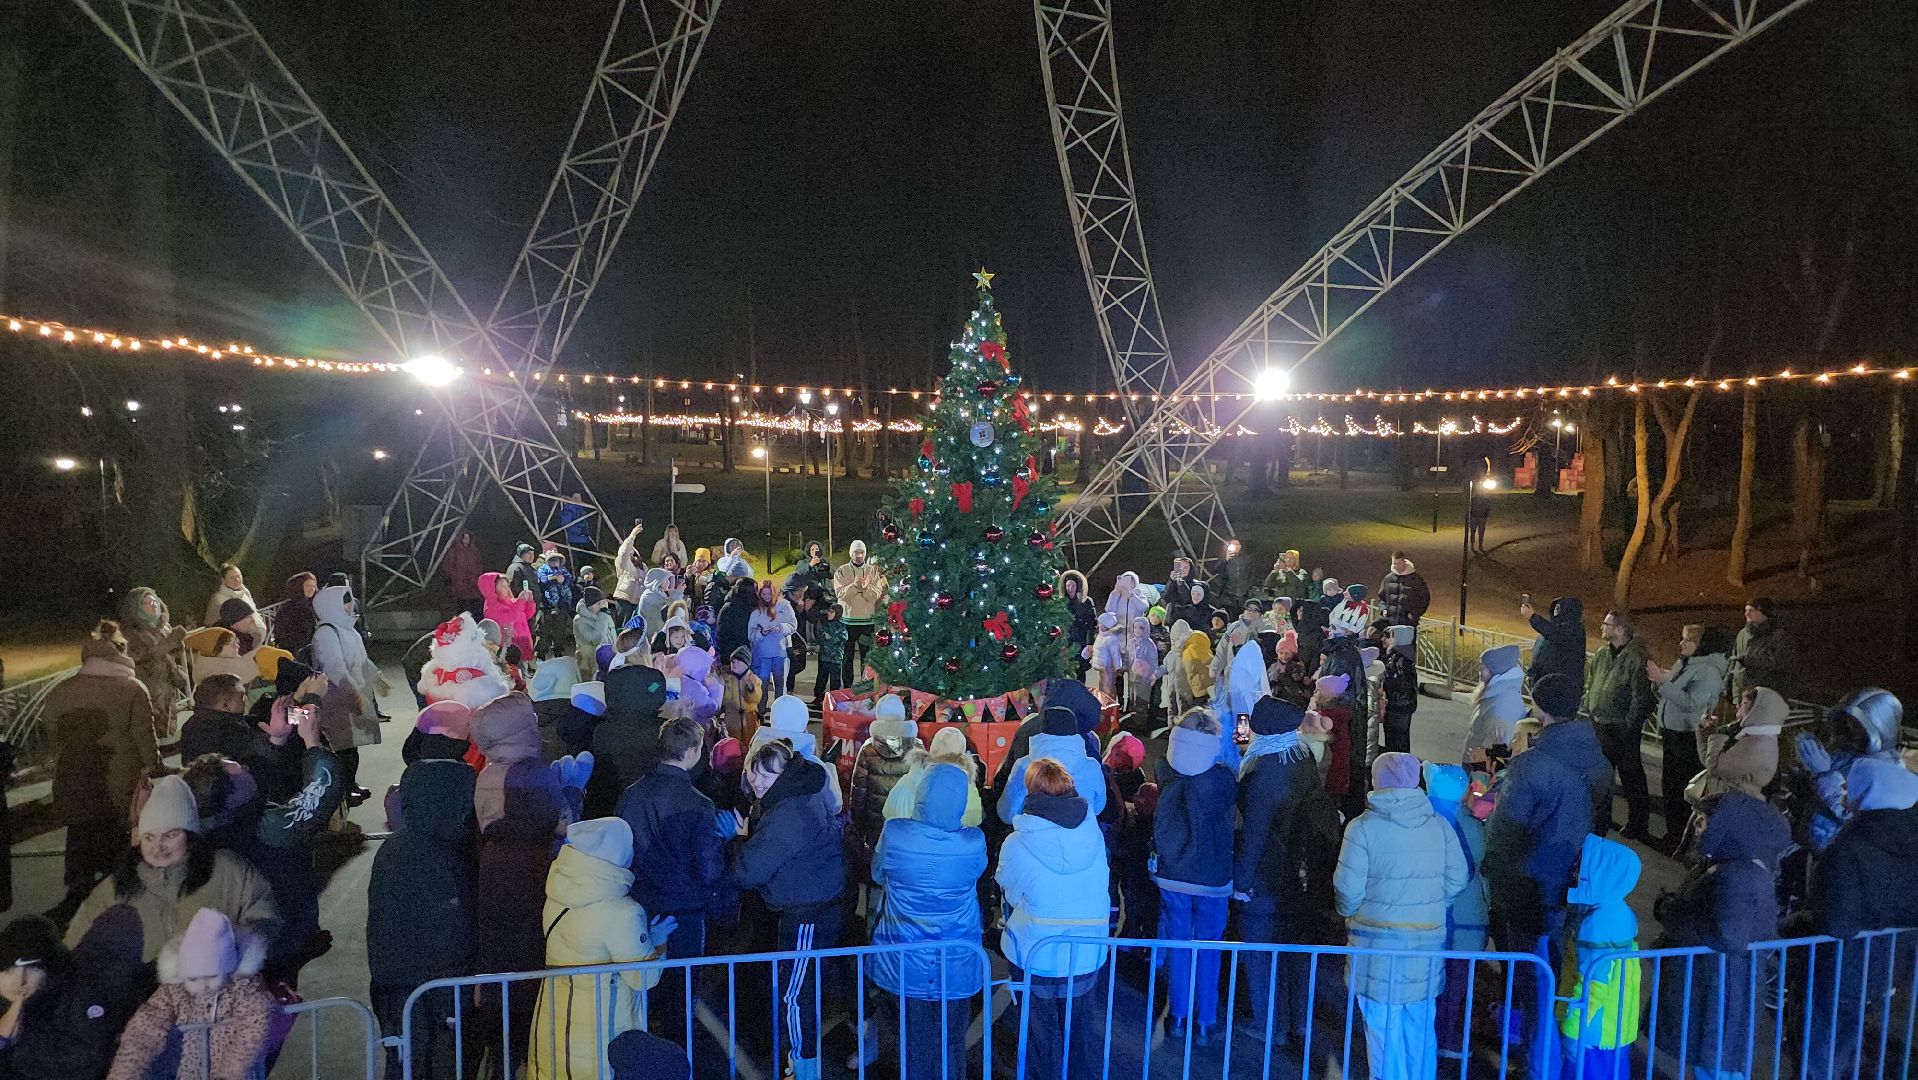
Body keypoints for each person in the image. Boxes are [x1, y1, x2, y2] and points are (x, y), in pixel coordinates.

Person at [1481, 673, 1610, 1071]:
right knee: (1556, 973)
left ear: (1540, 707)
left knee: (1531, 978)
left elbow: (1504, 833)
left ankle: (1535, 1059)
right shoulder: (1599, 761)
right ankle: (1544, 1043)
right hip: (1574, 883)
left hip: (1528, 888)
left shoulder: (1533, 766)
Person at [1334, 752, 1466, 1080]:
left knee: (1382, 1028)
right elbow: (1458, 878)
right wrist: (1435, 907)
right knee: (1420, 1025)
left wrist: (1350, 916)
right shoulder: (1439, 826)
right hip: (1424, 943)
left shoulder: (1361, 828)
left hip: (1374, 945)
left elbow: (1347, 889)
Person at [368, 697, 476, 1078]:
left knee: (404, 1052)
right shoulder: (456, 854)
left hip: (394, 982)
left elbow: (381, 930)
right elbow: (458, 929)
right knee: (448, 1055)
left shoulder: (392, 851)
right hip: (445, 982)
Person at [1793, 757, 1918, 1080]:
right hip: (1888, 964)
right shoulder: (1908, 839)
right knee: (1847, 1041)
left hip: (1839, 968)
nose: (1845, 788)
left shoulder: (1850, 847)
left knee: (1817, 1052)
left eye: (1851, 783)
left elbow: (1836, 923)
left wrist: (1799, 923)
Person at [65, 775, 279, 962]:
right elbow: (76, 945)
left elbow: (264, 918)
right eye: (149, 837)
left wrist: (234, 948)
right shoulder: (115, 887)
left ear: (190, 835)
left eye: (170, 835)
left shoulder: (227, 870)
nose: (158, 847)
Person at [861, 762, 987, 1079]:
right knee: (951, 1044)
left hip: (904, 957)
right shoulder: (973, 842)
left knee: (913, 1044)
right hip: (957, 960)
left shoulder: (896, 832)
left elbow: (877, 874)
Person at [1652, 791, 1788, 1080]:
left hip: (1720, 990)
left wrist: (1671, 915)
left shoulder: (1739, 875)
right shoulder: (1730, 865)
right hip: (1716, 986)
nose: (1697, 828)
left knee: (1716, 1067)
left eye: (1704, 821)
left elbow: (1728, 935)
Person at [730, 740, 845, 1080]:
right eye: (755, 774)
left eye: (767, 776)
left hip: (806, 912)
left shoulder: (787, 814)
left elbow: (748, 871)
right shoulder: (800, 792)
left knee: (796, 993)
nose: (759, 783)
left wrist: (740, 839)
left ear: (785, 774)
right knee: (802, 986)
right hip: (813, 902)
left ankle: (804, 1067)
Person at [468, 693, 570, 1071]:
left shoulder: (491, 773)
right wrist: (573, 788)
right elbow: (558, 823)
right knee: (528, 982)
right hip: (532, 881)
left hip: (496, 879)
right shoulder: (531, 776)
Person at [528, 818, 668, 1080]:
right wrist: (658, 939)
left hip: (555, 1017)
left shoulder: (558, 892)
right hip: (601, 1027)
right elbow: (642, 977)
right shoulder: (623, 912)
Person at [996, 759, 1109, 1080]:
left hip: (1037, 953)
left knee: (1039, 1038)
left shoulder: (1017, 843)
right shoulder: (1093, 833)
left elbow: (1011, 892)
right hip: (1086, 951)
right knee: (1080, 1037)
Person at [1234, 696, 1337, 1044]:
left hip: (1267, 875)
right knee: (1296, 950)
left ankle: (1270, 1024)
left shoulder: (1264, 770)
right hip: (1302, 872)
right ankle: (1300, 1020)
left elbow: (1255, 833)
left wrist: (1243, 882)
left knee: (1261, 953)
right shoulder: (1302, 756)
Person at [45, 621, 160, 928]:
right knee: (116, 835)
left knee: (81, 832)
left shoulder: (63, 689)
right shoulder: (132, 688)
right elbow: (143, 734)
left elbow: (51, 729)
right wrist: (151, 764)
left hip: (73, 774)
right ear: (121, 652)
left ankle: (78, 895)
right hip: (118, 777)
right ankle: (119, 900)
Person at [617, 715, 722, 1040]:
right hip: (685, 912)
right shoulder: (699, 805)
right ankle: (677, 1057)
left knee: (641, 988)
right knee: (681, 991)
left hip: (640, 905)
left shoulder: (631, 795)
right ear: (691, 752)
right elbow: (707, 868)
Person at [107, 908, 275, 1080]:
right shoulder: (172, 992)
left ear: (228, 967)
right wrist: (126, 1072)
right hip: (181, 1073)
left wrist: (230, 1073)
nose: (203, 986)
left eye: (211, 976)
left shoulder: (243, 989)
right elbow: (144, 1029)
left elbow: (252, 1029)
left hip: (225, 1072)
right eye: (193, 979)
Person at [1153, 721, 1237, 1044]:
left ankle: (1177, 1015)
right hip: (1213, 877)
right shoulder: (1223, 779)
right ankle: (1205, 1020)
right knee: (1209, 947)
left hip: (1173, 874)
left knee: (1178, 944)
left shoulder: (1165, 771)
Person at [0, 911, 147, 1078]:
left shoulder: (75, 996)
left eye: (34, 968)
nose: (21, 980)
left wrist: (16, 1042)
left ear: (48, 971)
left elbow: (89, 1061)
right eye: (10, 969)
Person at [1556, 835, 1643, 1079]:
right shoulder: (1621, 913)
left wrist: (1574, 1029)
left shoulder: (1597, 923)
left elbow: (1594, 984)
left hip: (1593, 1031)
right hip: (1616, 1027)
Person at [1423, 763, 1488, 1064]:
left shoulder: (1424, 821)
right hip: (1469, 921)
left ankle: (1429, 1037)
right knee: (1457, 986)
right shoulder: (1473, 826)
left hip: (1432, 919)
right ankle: (1448, 1037)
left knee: (1429, 984)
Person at [1646, 624, 1730, 848]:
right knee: (1670, 787)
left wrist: (1664, 683)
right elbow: (1672, 691)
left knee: (1680, 789)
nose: (1681, 644)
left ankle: (1678, 840)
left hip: (1687, 736)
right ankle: (1672, 835)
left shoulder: (1708, 671)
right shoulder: (1686, 663)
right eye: (1682, 639)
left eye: (1687, 641)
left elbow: (1694, 704)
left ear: (1701, 646)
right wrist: (1659, 683)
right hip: (1673, 731)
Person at [1795, 687, 1905, 852]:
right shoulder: (1846, 753)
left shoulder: (1889, 770)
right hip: (1809, 850)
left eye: (1857, 724)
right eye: (1847, 721)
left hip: (1840, 858)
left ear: (1880, 725)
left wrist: (1824, 774)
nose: (1849, 727)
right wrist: (1804, 776)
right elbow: (1821, 797)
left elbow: (1859, 817)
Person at [1582, 609, 1654, 840]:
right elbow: (1591, 684)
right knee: (1602, 775)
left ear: (1621, 630)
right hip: (1599, 722)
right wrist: (1587, 707)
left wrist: (1629, 725)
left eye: (1607, 624)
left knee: (1631, 776)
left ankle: (1638, 824)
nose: (1602, 627)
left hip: (1621, 727)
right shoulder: (1603, 653)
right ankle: (1602, 817)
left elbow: (1641, 696)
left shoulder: (1637, 657)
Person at [310, 583, 382, 805]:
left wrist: (377, 679)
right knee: (341, 748)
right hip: (336, 701)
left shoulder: (347, 629)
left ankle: (350, 784)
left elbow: (362, 660)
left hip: (351, 697)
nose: (350, 605)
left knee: (351, 747)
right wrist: (355, 695)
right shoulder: (326, 633)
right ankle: (341, 791)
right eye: (345, 601)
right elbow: (335, 669)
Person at [997, 705, 1108, 823]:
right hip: (1083, 836)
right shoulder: (1092, 767)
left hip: (1035, 837)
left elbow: (1007, 814)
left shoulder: (1024, 766)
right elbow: (1098, 807)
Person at [848, 696, 919, 872]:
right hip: (907, 824)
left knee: (876, 868)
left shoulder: (868, 749)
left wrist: (859, 823)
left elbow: (859, 791)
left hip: (876, 823)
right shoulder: (917, 747)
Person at [1691, 686, 1785, 806]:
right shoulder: (1743, 733)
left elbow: (1714, 766)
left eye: (1744, 703)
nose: (1738, 706)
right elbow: (1709, 760)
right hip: (1721, 801)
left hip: (1734, 806)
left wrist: (1715, 734)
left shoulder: (1756, 743)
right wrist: (1705, 731)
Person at [120, 587, 189, 741]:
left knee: (166, 734)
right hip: (147, 693)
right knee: (149, 735)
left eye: (155, 601)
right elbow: (140, 656)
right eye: (146, 603)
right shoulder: (131, 634)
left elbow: (171, 655)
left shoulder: (161, 628)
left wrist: (176, 645)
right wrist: (170, 642)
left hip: (165, 691)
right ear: (136, 608)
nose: (153, 605)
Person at [885, 726, 984, 828]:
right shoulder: (966, 786)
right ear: (962, 755)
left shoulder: (908, 780)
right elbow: (974, 818)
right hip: (949, 842)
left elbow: (889, 812)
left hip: (907, 840)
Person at [833, 540, 885, 684]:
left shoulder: (872, 570)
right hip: (847, 620)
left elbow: (876, 594)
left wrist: (865, 588)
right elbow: (840, 594)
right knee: (847, 656)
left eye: (862, 552)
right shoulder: (842, 571)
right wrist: (855, 586)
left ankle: (865, 685)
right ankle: (847, 685)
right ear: (851, 553)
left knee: (866, 656)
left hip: (867, 621)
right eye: (856, 552)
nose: (859, 555)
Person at [1467, 643, 1526, 766]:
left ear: (1494, 670)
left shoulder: (1504, 702)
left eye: (1483, 666)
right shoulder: (1495, 694)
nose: (1479, 670)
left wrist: (1478, 766)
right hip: (1476, 761)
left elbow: (1497, 746)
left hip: (1481, 769)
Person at [1728, 596, 1787, 701]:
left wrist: (1749, 660)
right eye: (1746, 610)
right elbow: (1734, 662)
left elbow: (1778, 662)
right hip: (1742, 693)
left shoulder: (1777, 636)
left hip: (1763, 693)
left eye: (1751, 610)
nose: (1746, 613)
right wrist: (1729, 687)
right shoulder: (1742, 634)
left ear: (1763, 612)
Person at [1522, 595, 1586, 687]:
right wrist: (1531, 672)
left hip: (1559, 687)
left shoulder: (1575, 630)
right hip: (1542, 682)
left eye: (1559, 608)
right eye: (1555, 607)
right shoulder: (1553, 628)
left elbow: (1555, 635)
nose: (1556, 611)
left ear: (1569, 611)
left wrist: (1532, 617)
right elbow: (1542, 653)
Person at [482, 569, 539, 665]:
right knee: (514, 674)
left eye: (507, 586)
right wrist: (520, 601)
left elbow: (526, 615)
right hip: (510, 650)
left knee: (524, 675)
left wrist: (529, 602)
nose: (507, 589)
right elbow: (510, 618)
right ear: (492, 589)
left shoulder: (511, 601)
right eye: (502, 586)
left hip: (523, 644)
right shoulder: (491, 607)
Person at [1379, 625, 1419, 756]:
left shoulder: (1398, 659)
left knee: (1396, 743)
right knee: (1400, 741)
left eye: (1391, 636)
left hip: (1397, 708)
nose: (1388, 639)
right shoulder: (1404, 656)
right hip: (1403, 707)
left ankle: (1397, 769)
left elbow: (1395, 684)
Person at [535, 550, 580, 659]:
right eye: (553, 560)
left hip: (562, 604)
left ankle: (558, 650)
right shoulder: (542, 569)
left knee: (560, 630)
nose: (555, 563)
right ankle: (541, 652)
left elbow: (569, 579)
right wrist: (555, 579)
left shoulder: (563, 570)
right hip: (546, 605)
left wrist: (564, 580)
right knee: (544, 630)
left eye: (557, 560)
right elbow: (542, 580)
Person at [571, 587, 615, 681]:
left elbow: (612, 633)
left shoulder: (603, 614)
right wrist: (603, 615)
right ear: (589, 605)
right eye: (598, 603)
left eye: (602, 603)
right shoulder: (580, 620)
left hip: (606, 657)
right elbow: (596, 638)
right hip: (588, 662)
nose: (601, 606)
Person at [1060, 571, 1097, 680]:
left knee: (1080, 671)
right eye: (1068, 585)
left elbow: (1092, 624)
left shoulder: (1086, 602)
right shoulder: (1061, 603)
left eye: (1072, 585)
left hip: (1081, 642)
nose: (1070, 588)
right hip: (1067, 641)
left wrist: (1090, 643)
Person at [1377, 554, 1431, 627]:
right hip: (1389, 623)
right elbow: (1381, 597)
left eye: (1399, 563)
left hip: (1408, 624)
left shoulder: (1416, 579)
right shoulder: (1388, 579)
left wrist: (1414, 614)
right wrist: (1383, 610)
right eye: (1394, 563)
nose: (1396, 566)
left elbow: (1424, 599)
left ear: (1404, 562)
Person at [811, 603, 848, 707]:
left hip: (835, 658)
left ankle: (834, 699)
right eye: (829, 611)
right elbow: (820, 634)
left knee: (835, 680)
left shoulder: (841, 625)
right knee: (821, 677)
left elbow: (844, 637)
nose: (829, 614)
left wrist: (831, 638)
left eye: (832, 612)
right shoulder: (826, 623)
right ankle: (819, 697)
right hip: (824, 656)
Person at [444, 531, 486, 620]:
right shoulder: (454, 552)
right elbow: (448, 567)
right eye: (465, 538)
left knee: (476, 607)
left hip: (473, 585)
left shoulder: (474, 552)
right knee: (462, 608)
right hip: (460, 585)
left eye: (468, 538)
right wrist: (455, 579)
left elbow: (479, 565)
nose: (467, 540)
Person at [613, 522, 647, 627]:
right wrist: (633, 535)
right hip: (624, 599)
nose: (633, 554)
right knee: (624, 626)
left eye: (635, 553)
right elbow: (624, 552)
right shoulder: (623, 563)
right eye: (631, 553)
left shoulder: (643, 566)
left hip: (637, 602)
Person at [1467, 483, 1492, 554]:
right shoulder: (1474, 500)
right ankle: (1475, 546)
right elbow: (1488, 508)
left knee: (1478, 532)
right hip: (1476, 517)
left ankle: (1478, 546)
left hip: (1478, 517)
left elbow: (1488, 508)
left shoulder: (1475, 499)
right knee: (1475, 532)